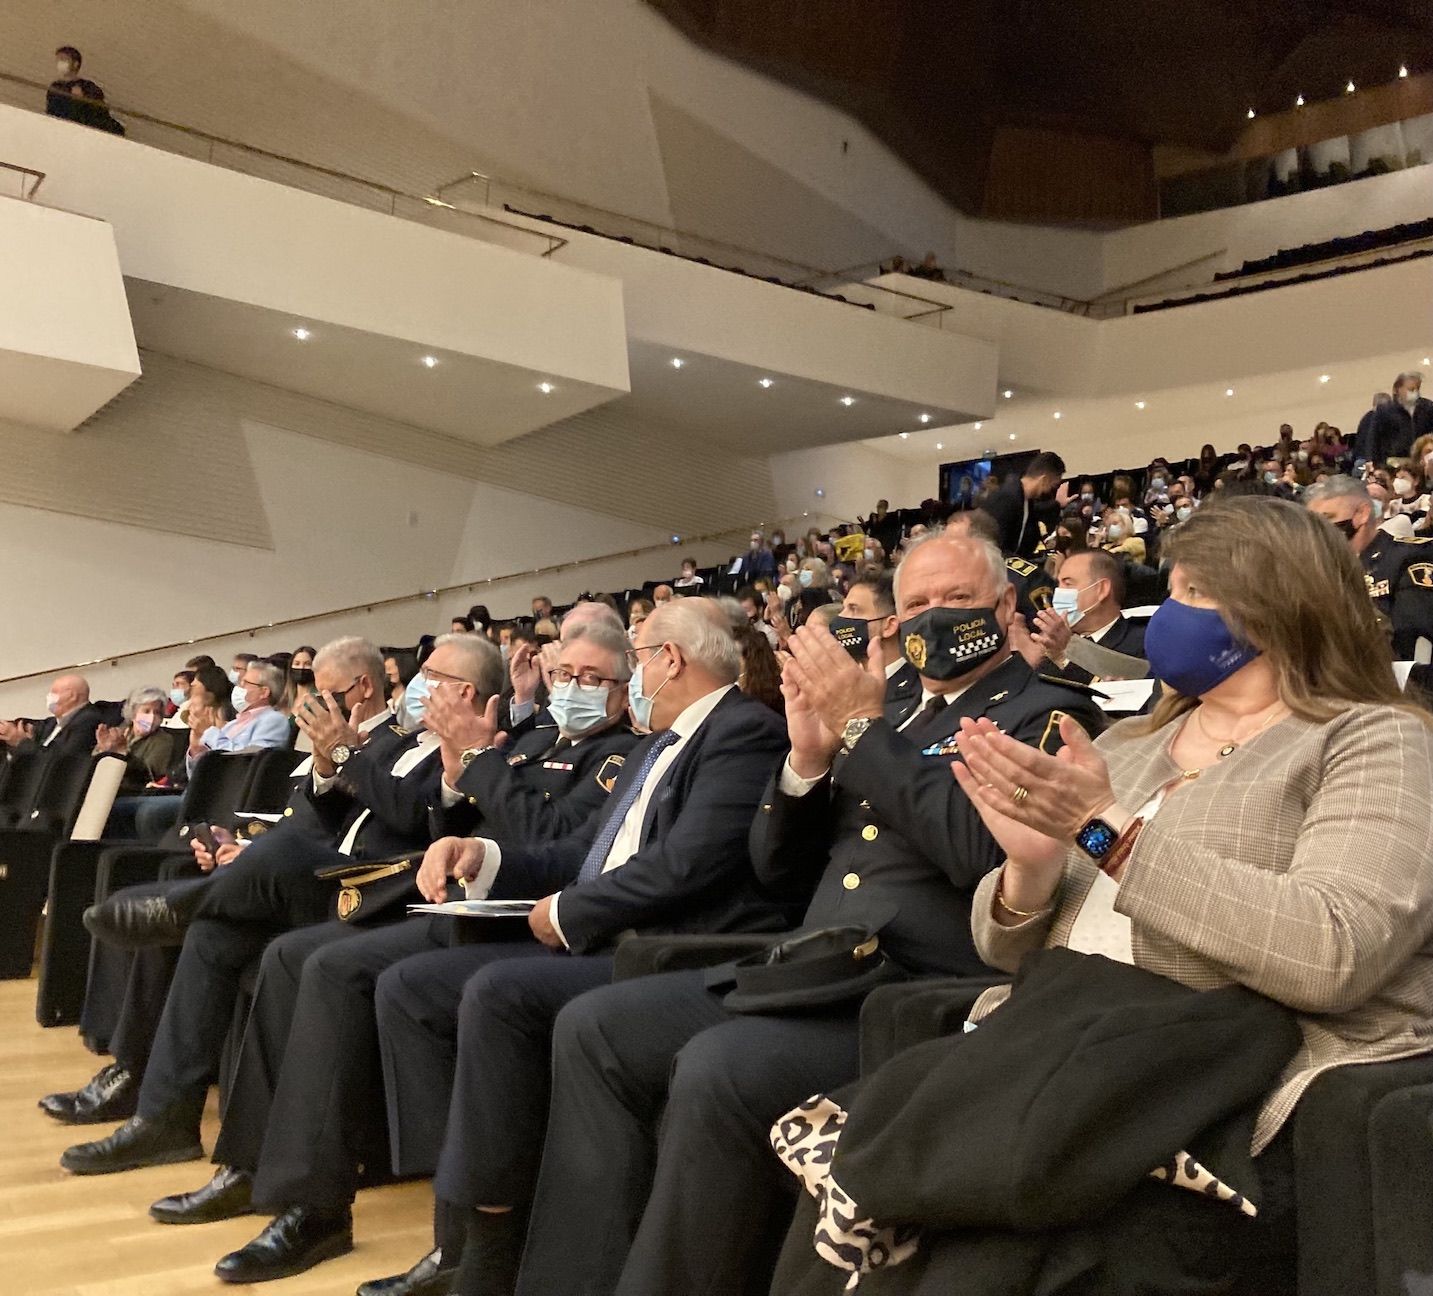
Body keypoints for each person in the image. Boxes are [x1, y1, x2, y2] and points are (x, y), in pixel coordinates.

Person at [508, 532, 1104, 1296]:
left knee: (721, 1071)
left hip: (913, 988)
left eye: (954, 600)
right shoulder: (888, 710)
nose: (929, 618)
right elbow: (778, 868)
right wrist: (806, 762)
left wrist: (860, 730)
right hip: (812, 962)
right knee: (595, 1027)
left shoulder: (1045, 712)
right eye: (914, 603)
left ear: (1005, 605)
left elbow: (975, 854)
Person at [910, 496, 1433, 1294]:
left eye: (1192, 593)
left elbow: (1333, 950)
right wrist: (1029, 867)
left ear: (1280, 603)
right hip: (1057, 1055)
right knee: (878, 1218)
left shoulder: (1370, 736)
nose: (1167, 616)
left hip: (1199, 1086)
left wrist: (1106, 833)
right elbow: (1009, 948)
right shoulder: (1128, 741)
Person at [359, 597, 795, 1296]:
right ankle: (468, 1214)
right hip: (611, 928)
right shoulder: (662, 741)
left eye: (640, 658)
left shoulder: (743, 732)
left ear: (670, 660)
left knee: (499, 994)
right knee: (417, 986)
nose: (637, 673)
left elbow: (686, 863)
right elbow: (578, 850)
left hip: (672, 948)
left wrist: (568, 910)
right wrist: (484, 854)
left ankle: (490, 1247)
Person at [58, 637, 455, 1179]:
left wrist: (342, 756)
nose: (418, 687)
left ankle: (176, 907)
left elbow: (413, 821)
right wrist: (241, 840)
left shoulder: (441, 752)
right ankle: (162, 1117)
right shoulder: (380, 743)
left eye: (433, 676)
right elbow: (309, 817)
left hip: (371, 892)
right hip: (308, 874)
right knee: (211, 929)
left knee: (230, 881)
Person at [1307, 475, 1433, 657]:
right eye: (1313, 522)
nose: (1318, 529)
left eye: (1327, 518)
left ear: (1362, 514)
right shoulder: (1314, 565)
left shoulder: (1408, 556)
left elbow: (1412, 641)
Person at [1011, 547, 1148, 684]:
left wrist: (1064, 655)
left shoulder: (1142, 642)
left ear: (1102, 589)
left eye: (1068, 583)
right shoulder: (1053, 643)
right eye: (1058, 584)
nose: (1058, 592)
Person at [95, 687, 188, 836]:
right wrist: (102, 750)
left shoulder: (163, 740)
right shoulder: (119, 732)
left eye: (157, 712)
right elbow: (95, 764)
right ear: (133, 713)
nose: (151, 717)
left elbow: (150, 773)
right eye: (146, 711)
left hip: (136, 792)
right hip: (108, 790)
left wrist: (123, 753)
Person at [978, 451, 1066, 559]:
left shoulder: (1025, 501)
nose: (1050, 491)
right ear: (1044, 479)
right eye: (1053, 486)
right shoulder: (1006, 498)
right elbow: (993, 545)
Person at [0, 672, 103, 756]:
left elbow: (58, 759)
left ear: (72, 696)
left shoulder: (88, 720)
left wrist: (22, 743)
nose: (49, 697)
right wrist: (10, 728)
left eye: (54, 692)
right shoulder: (55, 722)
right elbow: (35, 726)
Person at [46, 45, 124, 133]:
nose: (60, 64)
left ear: (75, 64)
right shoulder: (55, 87)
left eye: (64, 60)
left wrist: (81, 100)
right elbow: (52, 112)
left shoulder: (89, 87)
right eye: (58, 60)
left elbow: (98, 112)